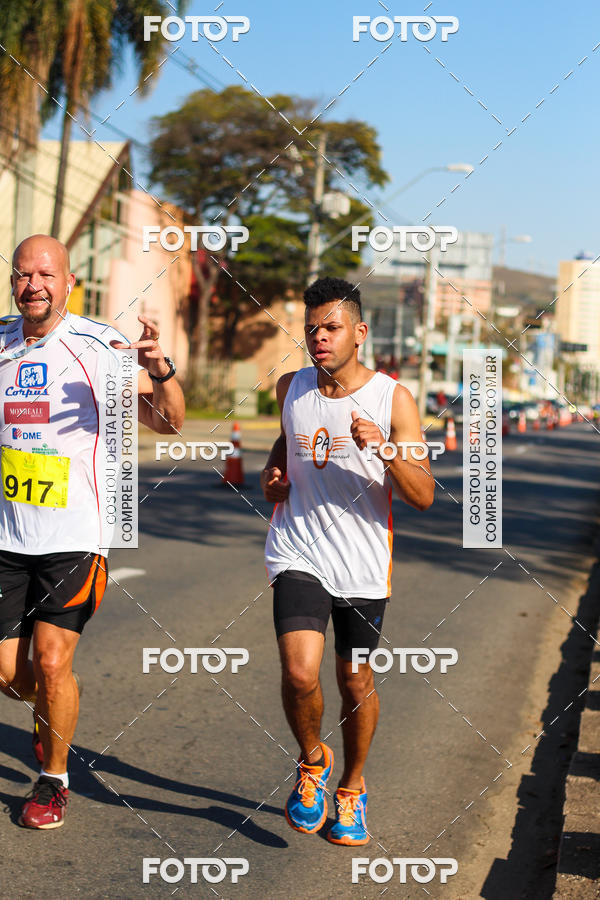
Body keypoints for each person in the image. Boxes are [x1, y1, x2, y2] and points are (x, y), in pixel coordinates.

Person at [0, 234, 185, 829]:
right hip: (8, 534)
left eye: (46, 275)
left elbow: (170, 422)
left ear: (69, 282)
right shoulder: (1, 341)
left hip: (77, 534)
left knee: (53, 662)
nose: (34, 285)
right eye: (23, 274)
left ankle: (53, 781)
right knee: (11, 675)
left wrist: (160, 370)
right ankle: (49, 713)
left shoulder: (99, 346)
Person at [261, 276, 433, 845]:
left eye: (331, 328)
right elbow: (284, 447)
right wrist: (273, 476)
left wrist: (384, 448)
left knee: (354, 680)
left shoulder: (393, 399)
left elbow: (423, 494)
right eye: (311, 328)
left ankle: (352, 787)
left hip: (362, 566)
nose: (319, 338)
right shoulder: (291, 388)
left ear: (359, 333)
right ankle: (313, 760)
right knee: (299, 673)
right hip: (298, 551)